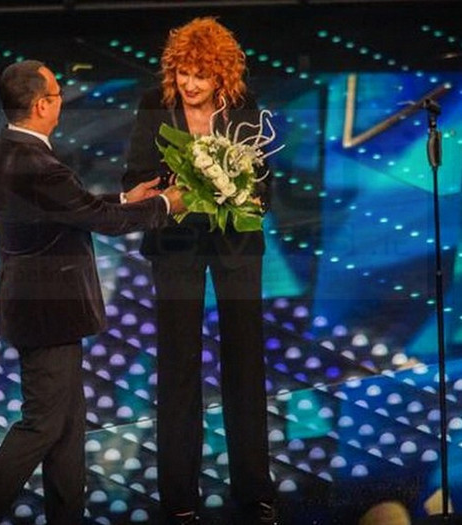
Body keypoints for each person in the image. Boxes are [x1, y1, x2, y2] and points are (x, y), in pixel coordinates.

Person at [0, 60, 184, 525]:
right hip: (50, 312)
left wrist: (128, 198)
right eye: (58, 94)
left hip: (32, 305)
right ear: (42, 105)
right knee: (42, 425)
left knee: (67, 424)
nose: (63, 102)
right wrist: (165, 204)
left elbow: (69, 209)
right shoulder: (40, 165)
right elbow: (99, 222)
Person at [122, 17, 278, 525]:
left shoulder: (243, 105)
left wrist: (245, 192)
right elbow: (134, 175)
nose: (190, 84)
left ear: (221, 76)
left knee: (245, 363)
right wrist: (171, 186)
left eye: (201, 75)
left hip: (236, 245)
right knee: (179, 366)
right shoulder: (154, 103)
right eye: (183, 73)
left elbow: (265, 180)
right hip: (176, 244)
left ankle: (254, 491)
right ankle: (178, 498)